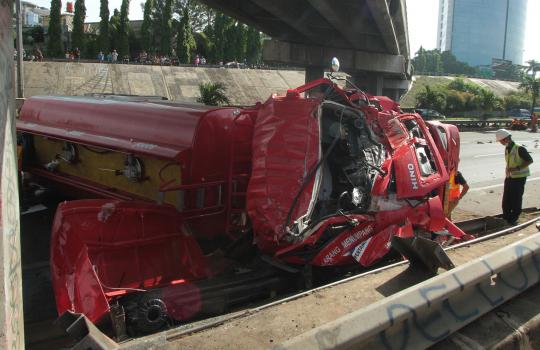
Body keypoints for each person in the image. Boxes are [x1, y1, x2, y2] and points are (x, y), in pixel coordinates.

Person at [495, 129, 534, 225]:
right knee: (507, 198)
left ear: (505, 139)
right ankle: (506, 216)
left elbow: (529, 160)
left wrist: (517, 168)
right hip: (510, 177)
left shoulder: (519, 148)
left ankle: (513, 218)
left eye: (500, 141)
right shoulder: (508, 148)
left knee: (516, 198)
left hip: (519, 178)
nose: (500, 143)